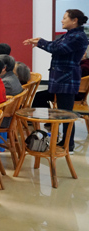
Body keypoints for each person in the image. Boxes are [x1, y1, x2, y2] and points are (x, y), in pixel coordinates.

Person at [24, 9, 89, 151]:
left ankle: (68, 145)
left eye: (65, 18)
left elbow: (58, 49)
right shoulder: (70, 35)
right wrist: (40, 41)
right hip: (62, 78)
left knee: (66, 113)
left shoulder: (78, 37)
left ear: (74, 20)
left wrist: (41, 42)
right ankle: (65, 142)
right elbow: (54, 44)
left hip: (67, 79)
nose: (62, 20)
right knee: (62, 112)